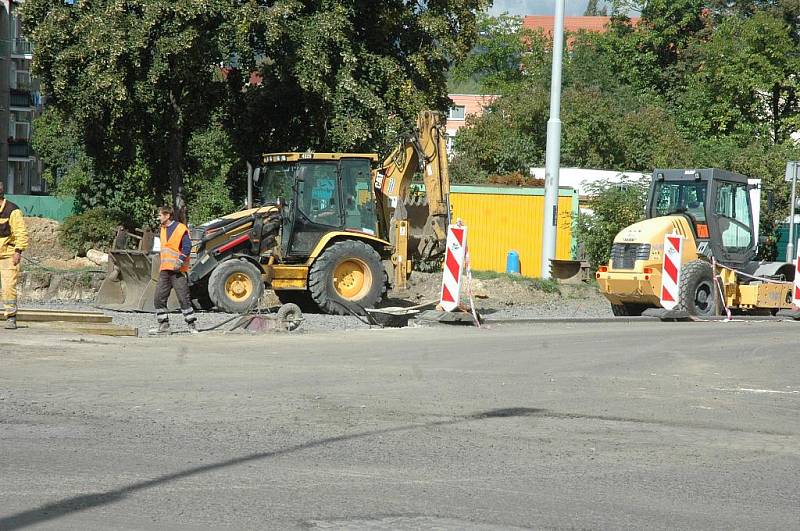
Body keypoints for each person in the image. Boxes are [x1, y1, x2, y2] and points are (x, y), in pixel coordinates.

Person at [151, 205, 198, 334]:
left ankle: (191, 324)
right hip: (165, 270)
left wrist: (180, 260)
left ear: (167, 216)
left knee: (184, 298)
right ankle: (164, 325)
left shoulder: (180, 229)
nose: (158, 217)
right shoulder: (163, 229)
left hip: (177, 271)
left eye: (160, 215)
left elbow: (187, 246)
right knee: (158, 298)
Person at [0, 181, 28, 330]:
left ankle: (11, 317)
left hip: (8, 255)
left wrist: (18, 251)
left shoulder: (13, 210)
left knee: (8, 287)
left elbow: (21, 233)